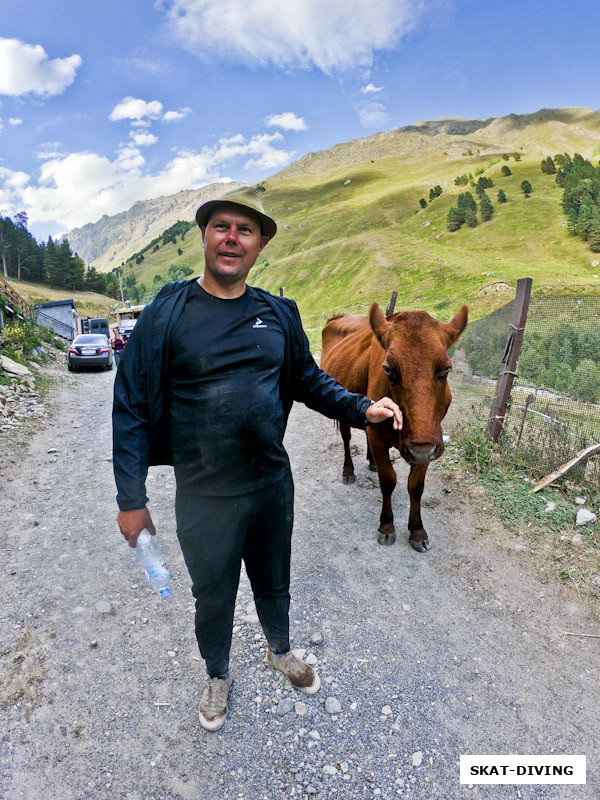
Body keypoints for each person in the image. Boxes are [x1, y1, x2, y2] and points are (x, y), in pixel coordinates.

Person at [112, 186, 402, 732]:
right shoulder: (166, 313)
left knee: (274, 579)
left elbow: (309, 382)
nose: (231, 238)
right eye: (221, 226)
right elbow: (129, 406)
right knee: (213, 592)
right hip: (203, 493)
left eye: (245, 230)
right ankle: (217, 674)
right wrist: (132, 499)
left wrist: (367, 409)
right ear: (204, 236)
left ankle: (279, 649)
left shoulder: (278, 313)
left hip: (270, 484)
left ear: (260, 245)